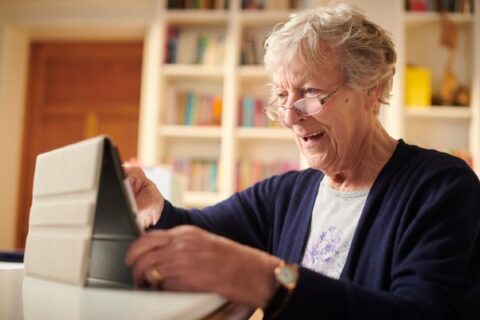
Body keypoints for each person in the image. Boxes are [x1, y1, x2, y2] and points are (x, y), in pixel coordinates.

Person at [124, 3, 480, 319]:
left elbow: (427, 312)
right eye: (281, 95)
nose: (291, 117)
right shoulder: (285, 194)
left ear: (371, 90)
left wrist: (267, 279)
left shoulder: (441, 188)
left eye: (310, 93)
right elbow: (195, 231)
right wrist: (152, 205)